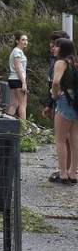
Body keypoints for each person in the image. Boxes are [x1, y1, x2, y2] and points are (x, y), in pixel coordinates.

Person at [49, 37, 78, 185]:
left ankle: (62, 173)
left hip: (64, 99)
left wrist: (54, 95)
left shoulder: (60, 63)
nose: (54, 48)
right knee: (74, 138)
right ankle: (73, 172)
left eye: (57, 46)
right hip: (75, 100)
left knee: (60, 139)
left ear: (63, 49)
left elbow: (55, 82)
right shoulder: (74, 62)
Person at [7, 31, 29, 120]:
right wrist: (23, 82)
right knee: (23, 104)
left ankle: (7, 122)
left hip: (13, 79)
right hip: (17, 79)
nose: (25, 42)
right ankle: (23, 125)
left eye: (26, 40)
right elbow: (18, 67)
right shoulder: (17, 51)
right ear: (17, 41)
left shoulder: (17, 51)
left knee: (14, 103)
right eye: (23, 40)